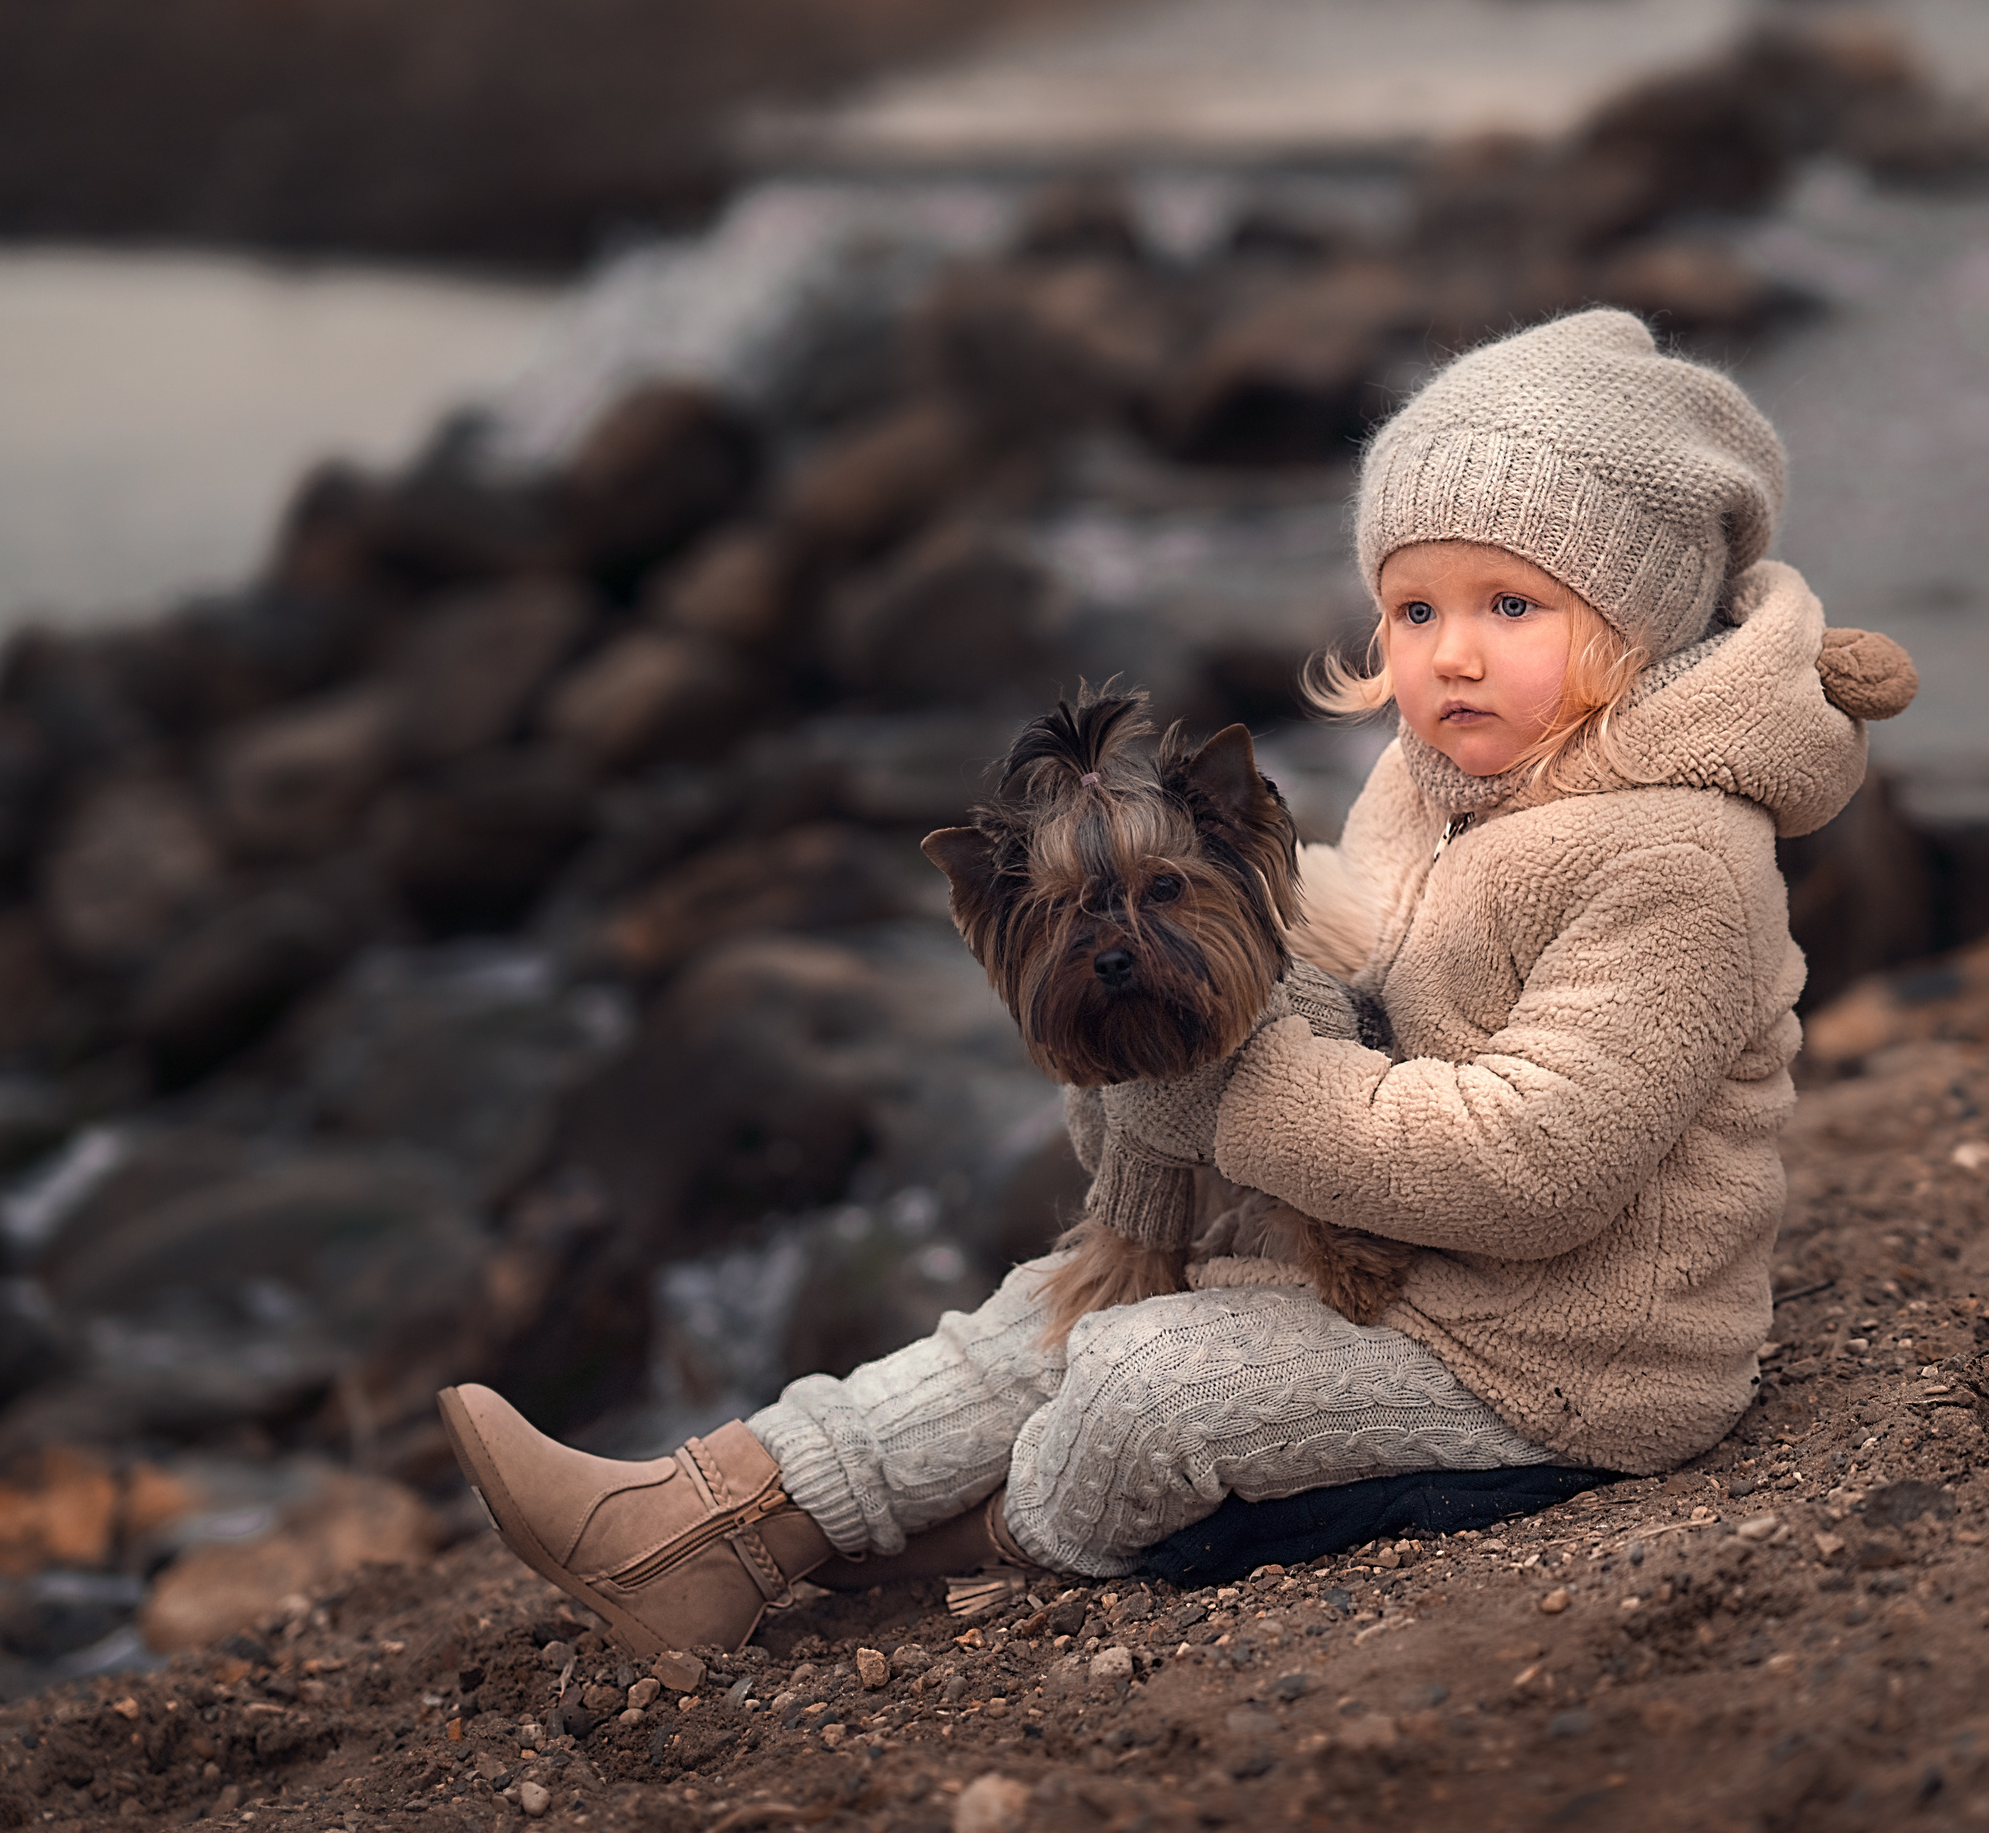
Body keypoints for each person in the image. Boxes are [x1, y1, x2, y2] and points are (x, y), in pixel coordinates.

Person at [435, 307, 1913, 1657]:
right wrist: (1189, 965)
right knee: (1052, 1308)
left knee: (1150, 1383)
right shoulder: (1440, 787)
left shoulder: (1673, 859)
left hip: (1561, 1358)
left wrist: (1230, 1080)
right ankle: (700, 1512)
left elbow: (1537, 1169)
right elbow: (1351, 934)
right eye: (1416, 612)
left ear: (1640, 621)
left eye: (1511, 609)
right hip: (1402, 1272)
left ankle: (946, 1557)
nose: (1451, 656)